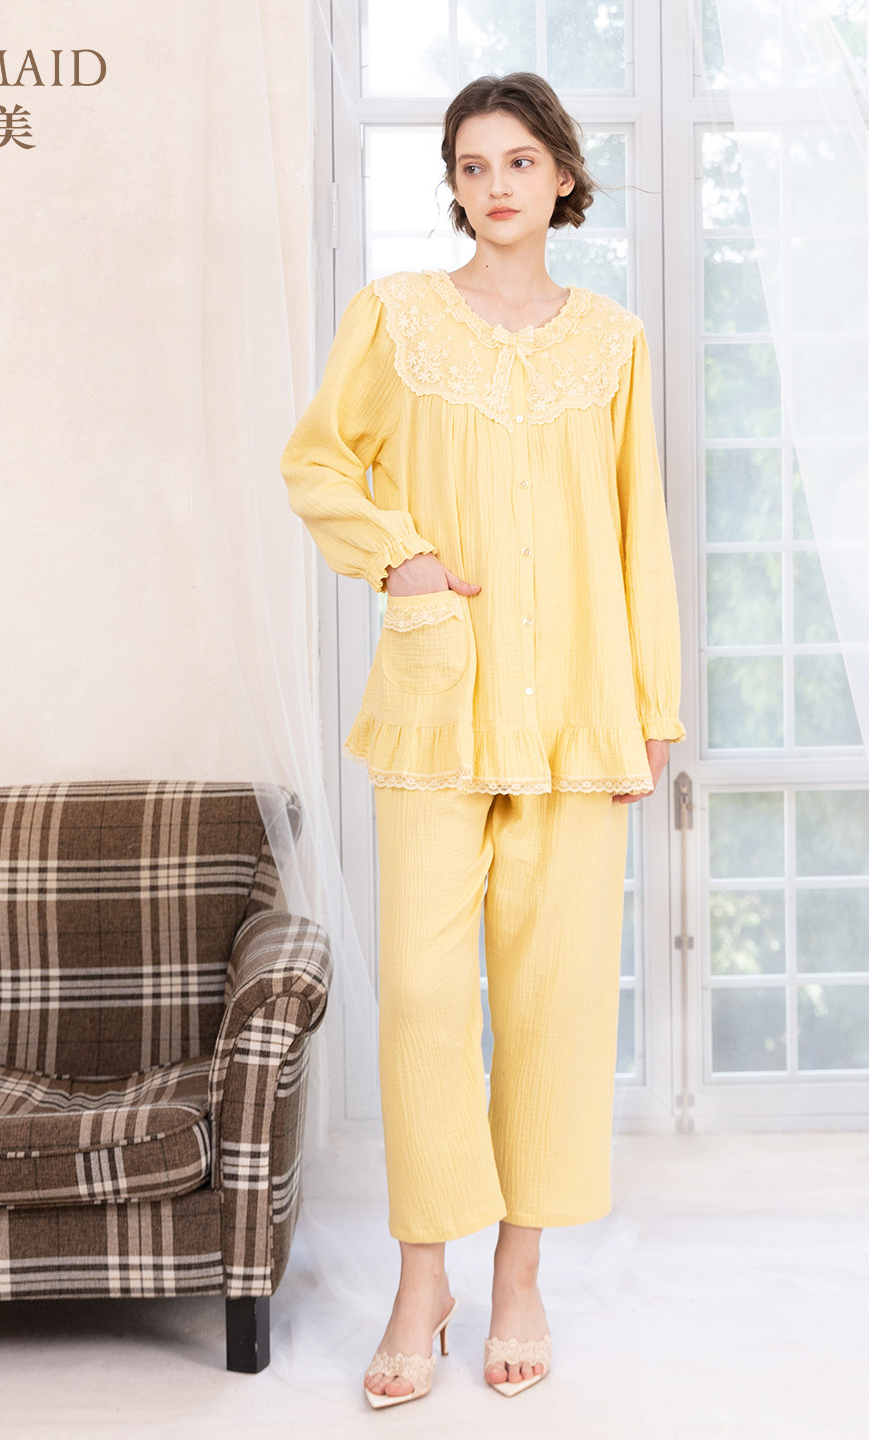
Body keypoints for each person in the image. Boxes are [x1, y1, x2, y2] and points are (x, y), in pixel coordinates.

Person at [279, 70, 685, 1408]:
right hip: (435, 706)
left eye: (518, 161)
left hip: (577, 712)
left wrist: (654, 708)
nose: (496, 184)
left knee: (556, 1002)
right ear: (453, 186)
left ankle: (518, 1276)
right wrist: (395, 555)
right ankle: (422, 1282)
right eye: (471, 165)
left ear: (563, 175)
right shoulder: (397, 319)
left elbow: (637, 533)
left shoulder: (613, 342)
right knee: (422, 999)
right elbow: (318, 461)